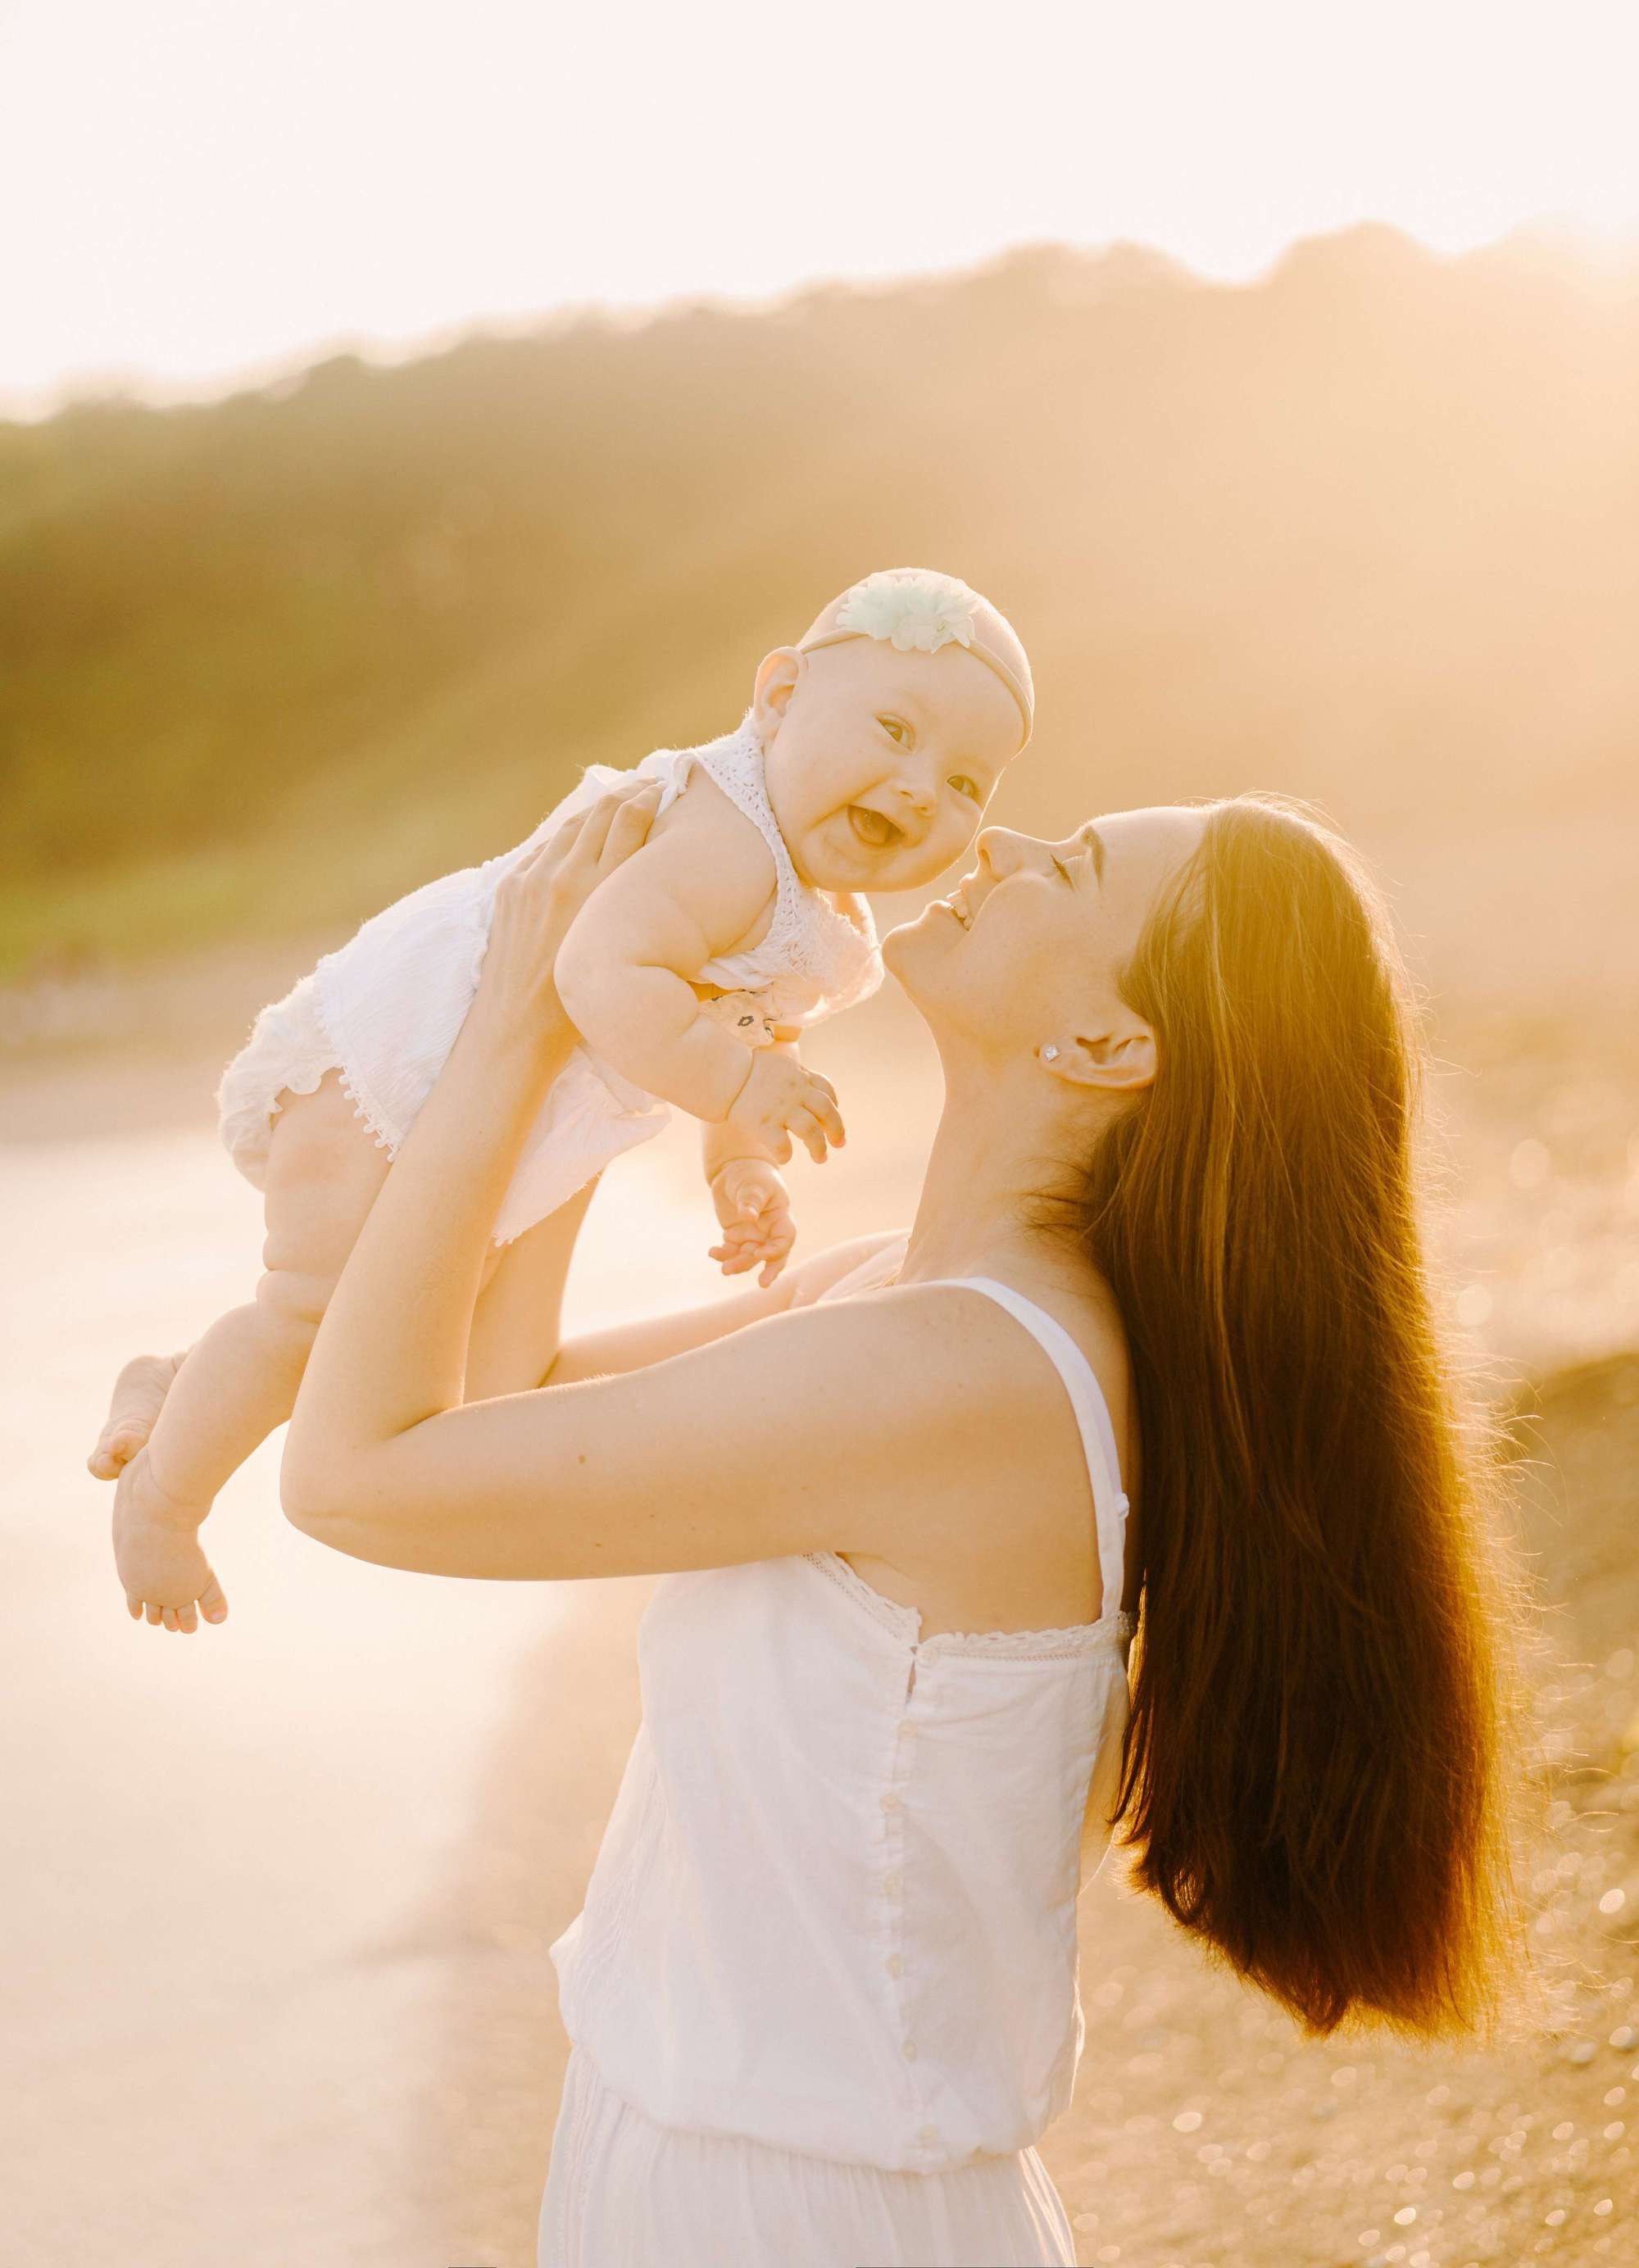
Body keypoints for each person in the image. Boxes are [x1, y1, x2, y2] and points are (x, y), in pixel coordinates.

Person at [99, 782, 1533, 2266]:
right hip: (696, 2159)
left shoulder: (965, 1371)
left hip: (808, 2212)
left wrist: (516, 1032)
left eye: (1075, 866)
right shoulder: (888, 1298)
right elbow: (492, 1387)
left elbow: (359, 1475)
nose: (1009, 844)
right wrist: (612, 1033)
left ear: (1106, 1048)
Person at [88, 569, 1033, 1633]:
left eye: (965, 784)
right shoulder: (729, 836)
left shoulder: (821, 912)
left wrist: (738, 1160)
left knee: (420, 1355)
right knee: (317, 1300)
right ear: (777, 697)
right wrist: (734, 1082)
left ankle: (182, 1386)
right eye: (895, 729)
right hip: (402, 1056)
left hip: (510, 1109)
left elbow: (749, 1024)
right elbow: (596, 972)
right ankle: (164, 1500)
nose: (919, 786)